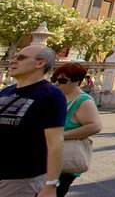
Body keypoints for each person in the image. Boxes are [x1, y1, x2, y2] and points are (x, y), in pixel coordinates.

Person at [0, 45, 66, 196]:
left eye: (21, 58)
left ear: (40, 63)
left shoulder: (51, 95)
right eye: (14, 57)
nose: (13, 61)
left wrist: (50, 185)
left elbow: (55, 143)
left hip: (21, 180)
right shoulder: (6, 91)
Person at [51, 63, 102, 196]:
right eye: (54, 79)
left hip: (64, 158)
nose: (56, 83)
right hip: (48, 155)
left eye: (62, 80)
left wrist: (62, 136)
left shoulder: (83, 101)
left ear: (77, 82)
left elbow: (95, 126)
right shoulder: (58, 96)